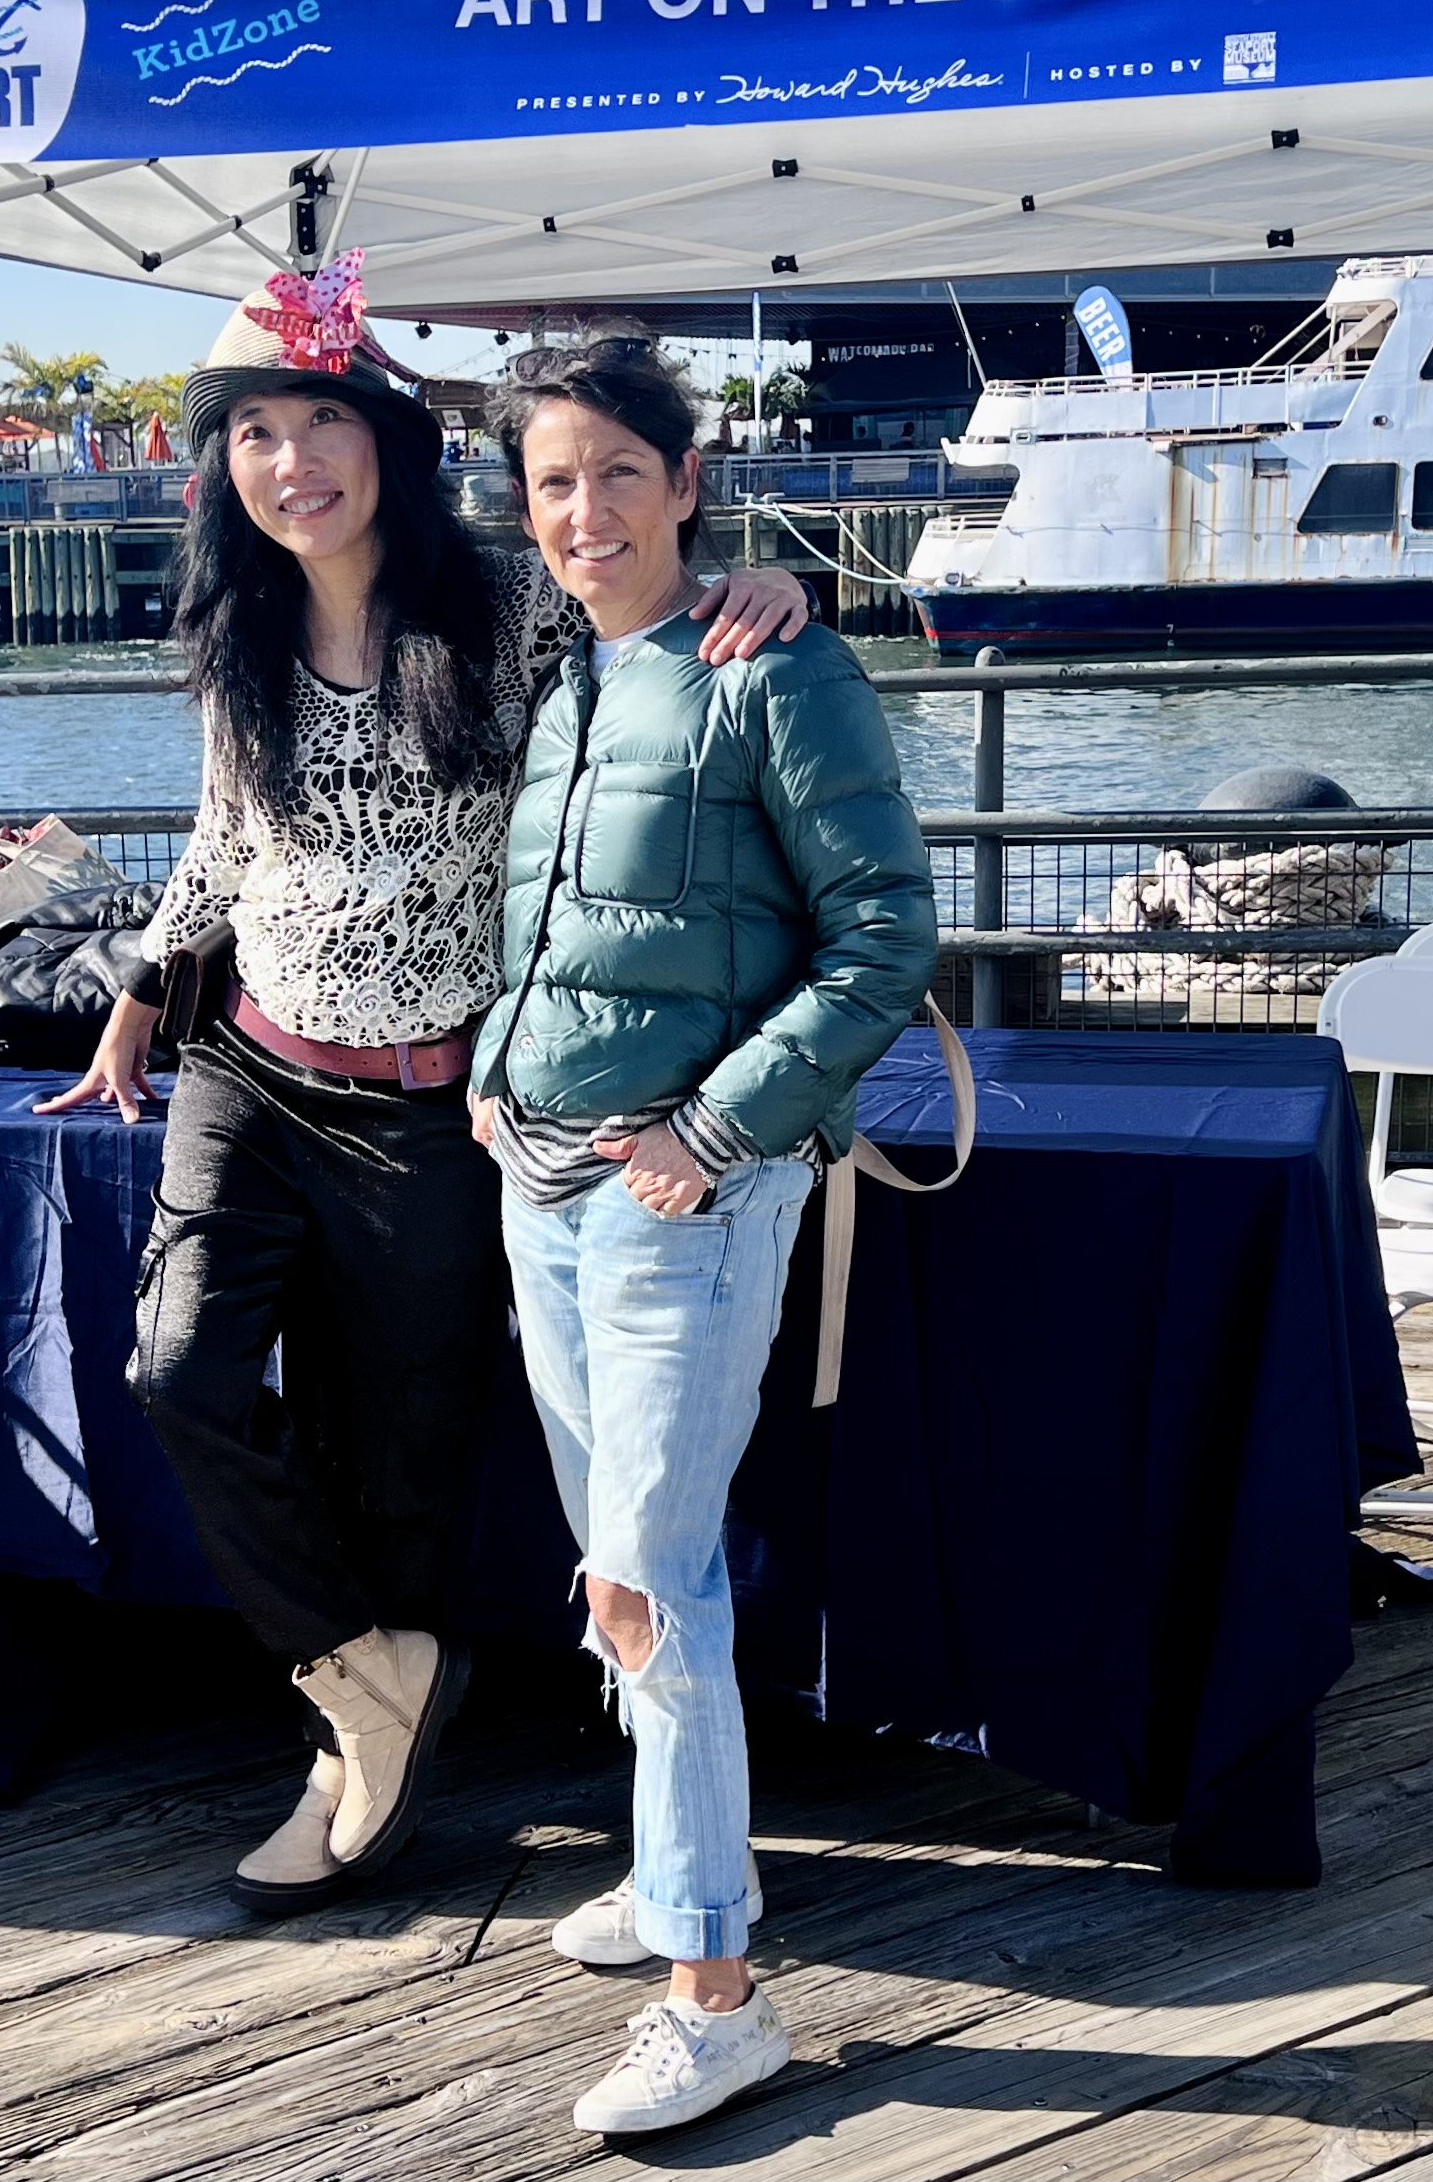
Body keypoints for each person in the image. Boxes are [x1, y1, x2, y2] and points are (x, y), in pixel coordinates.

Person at [39, 264, 808, 1917]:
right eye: (255, 429)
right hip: (252, 1059)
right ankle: (360, 1673)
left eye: (322, 418)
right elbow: (225, 834)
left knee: (401, 1457)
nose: (291, 457)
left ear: (385, 435)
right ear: (220, 460)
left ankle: (363, 1756)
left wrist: (774, 583)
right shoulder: (233, 623)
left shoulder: (502, 611)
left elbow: (646, 633)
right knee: (177, 1369)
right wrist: (138, 981)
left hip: (438, 1099)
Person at [468, 338, 936, 2137]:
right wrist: (500, 1085)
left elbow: (885, 929)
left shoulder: (774, 665)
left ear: (683, 478)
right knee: (616, 1552)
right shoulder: (572, 675)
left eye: (613, 472)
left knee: (651, 1578)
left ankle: (713, 1990)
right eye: (550, 482)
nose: (581, 512)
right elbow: (565, 918)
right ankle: (675, 1879)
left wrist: (718, 1129)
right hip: (543, 1175)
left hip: (684, 1192)